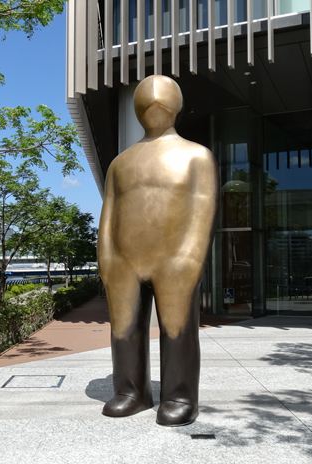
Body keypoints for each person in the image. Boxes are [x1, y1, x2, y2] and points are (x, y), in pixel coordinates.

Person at [97, 75, 218, 426]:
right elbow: (108, 214)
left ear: (177, 107)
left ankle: (180, 395)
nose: (154, 105)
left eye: (162, 100)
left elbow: (203, 209)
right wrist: (106, 256)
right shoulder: (120, 163)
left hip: (174, 258)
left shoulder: (197, 156)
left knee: (178, 328)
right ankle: (130, 391)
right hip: (123, 260)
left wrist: (191, 255)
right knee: (124, 328)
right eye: (147, 101)